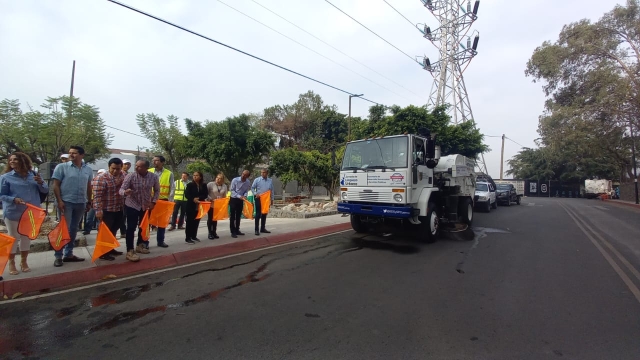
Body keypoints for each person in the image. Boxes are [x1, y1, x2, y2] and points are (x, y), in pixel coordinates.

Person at [0, 152, 48, 275]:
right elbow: (1, 195)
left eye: (15, 159)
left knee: (26, 237)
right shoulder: (5, 177)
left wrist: (40, 182)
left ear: (23, 161)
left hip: (31, 212)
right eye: (10, 160)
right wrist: (13, 199)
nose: (12, 162)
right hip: (13, 212)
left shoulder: (34, 175)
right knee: (14, 237)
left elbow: (45, 190)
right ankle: (11, 262)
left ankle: (24, 261)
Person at [51, 146, 93, 267]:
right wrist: (59, 200)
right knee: (63, 229)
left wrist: (89, 201)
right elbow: (56, 185)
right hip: (65, 202)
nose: (71, 155)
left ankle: (68, 254)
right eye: (70, 153)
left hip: (80, 202)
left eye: (74, 153)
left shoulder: (88, 170)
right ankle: (58, 256)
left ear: (82, 155)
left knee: (74, 229)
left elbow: (89, 186)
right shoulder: (62, 167)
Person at [119, 160, 160, 262]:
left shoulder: (153, 177)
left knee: (144, 227)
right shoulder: (130, 176)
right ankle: (130, 250)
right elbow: (121, 189)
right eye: (136, 166)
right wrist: (125, 192)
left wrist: (153, 202)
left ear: (146, 167)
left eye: (139, 167)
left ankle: (140, 245)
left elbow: (157, 190)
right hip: (132, 205)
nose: (136, 168)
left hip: (146, 206)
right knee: (131, 228)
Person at [91, 160, 126, 261]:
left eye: (118, 169)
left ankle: (110, 249)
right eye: (113, 168)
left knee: (114, 230)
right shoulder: (101, 178)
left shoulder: (123, 175)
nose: (115, 171)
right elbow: (97, 196)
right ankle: (102, 252)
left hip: (118, 208)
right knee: (104, 232)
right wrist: (98, 211)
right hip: (106, 209)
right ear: (109, 167)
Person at [148, 155, 174, 248]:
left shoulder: (169, 173)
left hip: (163, 201)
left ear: (162, 162)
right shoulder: (149, 171)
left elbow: (172, 188)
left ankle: (160, 241)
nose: (154, 162)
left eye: (157, 160)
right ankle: (144, 243)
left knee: (162, 223)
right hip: (150, 201)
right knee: (148, 222)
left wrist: (170, 202)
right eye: (153, 160)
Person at [184, 171, 208, 244]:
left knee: (196, 221)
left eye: (197, 175)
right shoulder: (190, 185)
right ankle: (188, 237)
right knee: (189, 222)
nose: (195, 177)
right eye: (194, 175)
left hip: (200, 205)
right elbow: (187, 194)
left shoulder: (203, 185)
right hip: (191, 205)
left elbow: (205, 194)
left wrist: (199, 198)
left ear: (200, 177)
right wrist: (193, 199)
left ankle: (194, 236)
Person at [251, 168, 274, 236]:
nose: (262, 174)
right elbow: (252, 188)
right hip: (258, 198)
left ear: (267, 173)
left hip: (266, 199)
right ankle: (256, 229)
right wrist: (255, 194)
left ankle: (263, 228)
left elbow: (272, 190)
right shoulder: (257, 180)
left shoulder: (270, 180)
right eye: (261, 172)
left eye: (264, 172)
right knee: (258, 214)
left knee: (264, 213)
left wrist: (272, 199)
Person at [83, 169, 106, 235]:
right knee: (89, 217)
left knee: (100, 219)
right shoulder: (92, 183)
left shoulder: (105, 183)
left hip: (101, 203)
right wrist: (90, 201)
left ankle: (100, 230)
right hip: (93, 202)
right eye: (99, 173)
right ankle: (87, 230)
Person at [229, 170, 251, 238]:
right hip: (234, 199)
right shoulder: (235, 180)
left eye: (245, 175)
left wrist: (244, 196)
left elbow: (246, 191)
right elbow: (232, 190)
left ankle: (237, 229)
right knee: (233, 216)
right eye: (243, 174)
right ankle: (233, 231)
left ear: (247, 176)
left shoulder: (247, 182)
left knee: (238, 215)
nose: (243, 176)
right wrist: (239, 196)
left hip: (241, 200)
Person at [206, 173, 227, 239]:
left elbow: (224, 195)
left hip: (218, 205)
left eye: (220, 178)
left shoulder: (224, 186)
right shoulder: (210, 184)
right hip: (210, 204)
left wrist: (222, 202)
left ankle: (214, 232)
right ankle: (210, 233)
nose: (218, 179)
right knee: (210, 219)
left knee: (215, 219)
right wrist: (209, 198)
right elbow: (205, 193)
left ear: (222, 180)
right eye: (217, 177)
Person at [118, 159, 132, 238]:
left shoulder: (129, 174)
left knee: (125, 215)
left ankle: (123, 231)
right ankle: (122, 231)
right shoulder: (120, 174)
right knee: (121, 216)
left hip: (127, 198)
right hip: (120, 198)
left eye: (128, 164)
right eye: (125, 164)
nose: (127, 166)